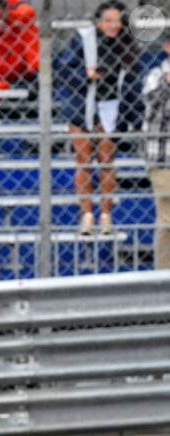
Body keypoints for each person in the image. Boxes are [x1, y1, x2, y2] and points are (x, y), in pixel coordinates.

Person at [53, 2, 143, 235]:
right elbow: (63, 68)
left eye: (117, 21)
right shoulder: (83, 39)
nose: (112, 25)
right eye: (108, 20)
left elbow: (133, 83)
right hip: (82, 105)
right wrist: (87, 75)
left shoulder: (128, 44)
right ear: (98, 21)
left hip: (111, 107)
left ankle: (105, 214)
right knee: (83, 160)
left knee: (106, 160)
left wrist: (135, 118)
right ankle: (86, 214)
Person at [142, 31, 170, 270]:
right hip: (164, 160)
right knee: (167, 220)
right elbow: (153, 100)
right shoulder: (156, 75)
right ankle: (163, 274)